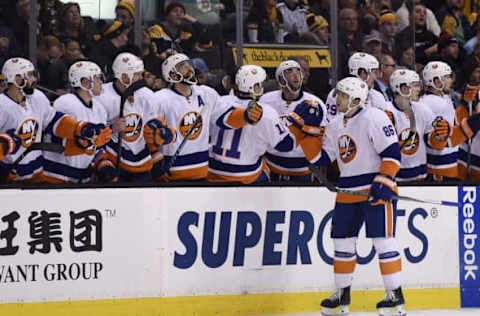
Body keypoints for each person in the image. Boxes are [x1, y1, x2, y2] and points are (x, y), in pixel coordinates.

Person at [312, 77, 406, 316]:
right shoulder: (334, 124)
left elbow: (393, 153)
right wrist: (304, 138)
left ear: (355, 99)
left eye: (342, 95)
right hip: (347, 190)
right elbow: (323, 159)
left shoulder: (374, 117)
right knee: (342, 242)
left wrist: (384, 181)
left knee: (383, 242)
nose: (337, 99)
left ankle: (394, 295)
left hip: (375, 188)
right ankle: (342, 294)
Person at [150, 53, 264, 181]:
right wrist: (156, 162)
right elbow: (150, 132)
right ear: (173, 75)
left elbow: (225, 118)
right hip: (171, 174)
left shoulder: (206, 93)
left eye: (189, 64)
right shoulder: (160, 99)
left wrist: (245, 116)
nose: (190, 68)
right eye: (183, 66)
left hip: (201, 171)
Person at [0, 57, 111, 183]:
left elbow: (54, 121)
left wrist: (80, 129)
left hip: (37, 174)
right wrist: (4, 144)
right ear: (16, 78)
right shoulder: (2, 105)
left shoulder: (37, 98)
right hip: (10, 175)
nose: (34, 79)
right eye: (30, 75)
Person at [208, 64, 300, 184]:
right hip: (246, 175)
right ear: (254, 86)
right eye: (260, 84)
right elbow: (285, 145)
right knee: (266, 168)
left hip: (214, 171)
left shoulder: (221, 101)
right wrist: (298, 129)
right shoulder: (266, 112)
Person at [93, 52, 176, 183]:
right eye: (137, 74)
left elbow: (149, 132)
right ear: (124, 77)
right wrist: (112, 128)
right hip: (113, 161)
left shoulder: (147, 95)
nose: (141, 78)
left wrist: (157, 158)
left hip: (141, 163)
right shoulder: (102, 96)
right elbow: (94, 135)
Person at [42, 61, 113, 183]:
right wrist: (85, 140)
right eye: (97, 78)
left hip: (83, 176)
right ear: (85, 82)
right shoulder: (65, 103)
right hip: (57, 175)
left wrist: (103, 162)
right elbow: (54, 139)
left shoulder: (100, 108)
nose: (101, 82)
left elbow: (97, 146)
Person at [260, 60, 327, 182]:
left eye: (298, 71)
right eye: (290, 72)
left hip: (303, 168)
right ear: (281, 79)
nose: (296, 75)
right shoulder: (266, 100)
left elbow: (322, 135)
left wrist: (305, 129)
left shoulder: (315, 103)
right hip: (272, 164)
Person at [325, 52, 391, 123]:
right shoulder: (338, 94)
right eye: (374, 72)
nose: (375, 78)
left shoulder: (377, 96)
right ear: (363, 73)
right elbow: (332, 125)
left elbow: (384, 123)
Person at [420, 61, 458, 180]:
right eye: (447, 77)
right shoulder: (430, 103)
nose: (450, 80)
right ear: (437, 81)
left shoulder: (444, 98)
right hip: (439, 166)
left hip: (448, 163)